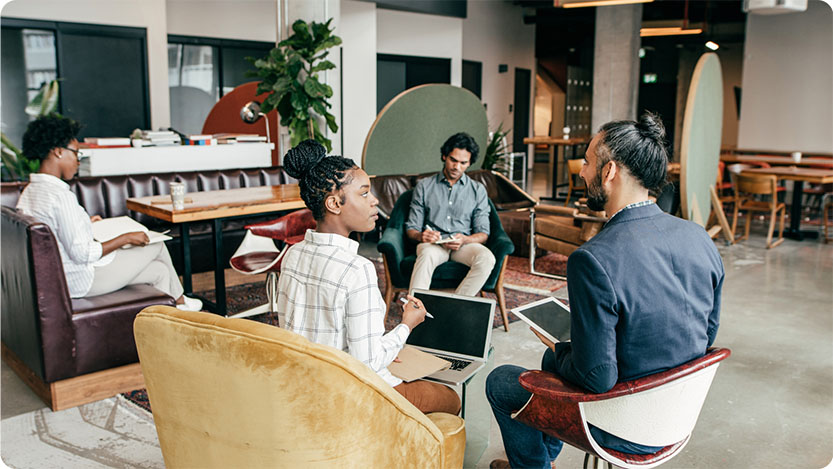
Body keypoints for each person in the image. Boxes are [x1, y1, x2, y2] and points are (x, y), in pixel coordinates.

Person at [486, 113, 724, 469]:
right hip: (676, 415)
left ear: (609, 171)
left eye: (587, 162)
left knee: (500, 382)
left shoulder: (593, 259)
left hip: (622, 423)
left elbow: (598, 379)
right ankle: (543, 458)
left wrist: (561, 346)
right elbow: (707, 333)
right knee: (554, 363)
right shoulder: (698, 236)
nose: (582, 172)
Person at [276, 139, 461, 415]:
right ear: (334, 203)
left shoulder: (292, 254)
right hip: (352, 395)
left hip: (303, 386)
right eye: (364, 193)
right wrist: (406, 326)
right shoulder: (356, 269)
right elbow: (369, 363)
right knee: (451, 399)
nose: (375, 201)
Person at [15, 114, 200, 311]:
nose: (78, 161)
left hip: (62, 276)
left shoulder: (31, 191)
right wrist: (125, 238)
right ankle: (181, 301)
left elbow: (58, 232)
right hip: (81, 280)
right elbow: (82, 253)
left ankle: (167, 323)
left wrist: (87, 223)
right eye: (76, 153)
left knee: (159, 271)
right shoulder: (60, 196)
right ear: (59, 152)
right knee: (157, 244)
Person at [405, 132, 495, 296]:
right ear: (444, 156)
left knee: (487, 258)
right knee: (426, 255)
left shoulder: (478, 190)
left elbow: (483, 233)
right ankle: (414, 310)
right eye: (453, 160)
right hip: (434, 245)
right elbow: (412, 228)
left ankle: (455, 305)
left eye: (463, 163)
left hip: (463, 245)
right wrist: (422, 236)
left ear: (469, 163)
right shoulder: (424, 186)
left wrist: (465, 239)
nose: (457, 167)